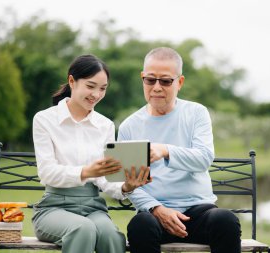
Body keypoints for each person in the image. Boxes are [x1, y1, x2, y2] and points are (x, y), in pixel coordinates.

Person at [118, 47, 241, 253]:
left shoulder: (196, 114)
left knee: (225, 220)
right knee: (140, 226)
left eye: (165, 81)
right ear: (142, 79)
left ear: (180, 82)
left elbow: (203, 158)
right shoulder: (129, 127)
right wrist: (157, 209)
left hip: (198, 212)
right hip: (155, 214)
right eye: (150, 80)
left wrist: (166, 150)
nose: (157, 87)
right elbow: (129, 184)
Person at [32, 54, 150, 253]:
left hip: (93, 207)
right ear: (72, 81)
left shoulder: (105, 125)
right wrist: (86, 171)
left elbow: (105, 179)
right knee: (82, 229)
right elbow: (46, 172)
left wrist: (126, 186)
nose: (96, 94)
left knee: (111, 235)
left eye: (102, 88)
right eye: (90, 86)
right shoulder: (45, 120)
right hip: (53, 208)